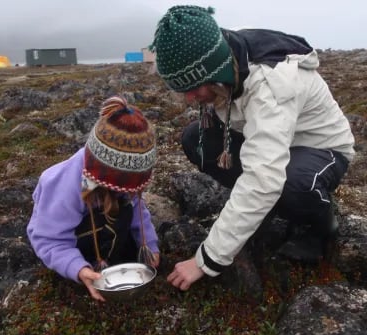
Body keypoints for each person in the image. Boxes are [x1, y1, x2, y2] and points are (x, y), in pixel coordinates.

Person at [150, 5, 355, 291]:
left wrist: (205, 260)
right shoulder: (225, 61)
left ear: (214, 70)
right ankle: (259, 210)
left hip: (320, 148)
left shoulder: (270, 84)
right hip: (272, 140)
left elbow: (263, 178)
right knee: (195, 139)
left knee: (291, 184)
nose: (188, 99)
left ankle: (320, 227)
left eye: (194, 87)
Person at [27, 96, 159, 302]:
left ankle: (111, 257)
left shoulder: (121, 182)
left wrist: (149, 246)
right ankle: (87, 265)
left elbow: (138, 210)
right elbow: (49, 239)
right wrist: (77, 268)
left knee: (126, 209)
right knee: (112, 217)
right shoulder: (63, 184)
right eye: (125, 188)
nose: (130, 192)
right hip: (66, 243)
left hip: (105, 231)